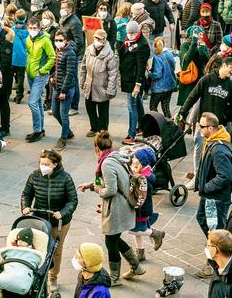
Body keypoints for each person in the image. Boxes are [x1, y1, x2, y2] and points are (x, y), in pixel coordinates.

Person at [77, 131, 144, 286]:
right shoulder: (115, 156)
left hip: (116, 208)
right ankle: (136, 266)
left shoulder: (106, 163)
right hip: (124, 205)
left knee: (110, 242)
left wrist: (95, 189)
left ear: (96, 147)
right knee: (115, 239)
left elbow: (110, 190)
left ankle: (114, 277)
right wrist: (90, 184)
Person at [21, 149, 78, 293]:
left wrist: (63, 213)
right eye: (41, 163)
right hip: (39, 219)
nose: (43, 166)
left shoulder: (65, 178)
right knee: (38, 248)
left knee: (56, 250)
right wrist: (25, 207)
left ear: (55, 165)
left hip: (58, 222)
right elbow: (26, 194)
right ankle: (38, 273)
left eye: (46, 164)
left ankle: (53, 276)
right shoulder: (34, 176)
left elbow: (72, 200)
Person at [194, 112, 232, 278]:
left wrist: (206, 187)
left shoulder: (218, 148)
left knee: (215, 229)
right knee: (202, 219)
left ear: (211, 128)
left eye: (202, 126)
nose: (199, 129)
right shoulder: (210, 141)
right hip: (210, 195)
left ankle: (215, 260)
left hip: (216, 197)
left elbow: (225, 176)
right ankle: (218, 247)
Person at [127, 148, 165, 262]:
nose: (133, 158)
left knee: (133, 230)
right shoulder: (140, 172)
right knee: (136, 231)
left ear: (142, 162)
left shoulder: (144, 178)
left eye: (136, 158)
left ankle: (155, 233)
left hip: (141, 209)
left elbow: (141, 197)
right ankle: (140, 252)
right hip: (139, 209)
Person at [80, 29, 117, 136]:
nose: (96, 40)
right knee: (89, 108)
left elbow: (113, 73)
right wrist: (82, 81)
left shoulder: (109, 54)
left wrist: (110, 89)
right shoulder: (89, 50)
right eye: (95, 38)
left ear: (104, 40)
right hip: (89, 85)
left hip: (102, 87)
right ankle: (94, 127)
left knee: (103, 111)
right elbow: (83, 67)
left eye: (99, 39)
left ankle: (103, 129)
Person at [119, 20, 150, 144]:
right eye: (129, 33)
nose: (131, 35)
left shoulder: (142, 45)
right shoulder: (127, 42)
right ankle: (141, 126)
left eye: (133, 33)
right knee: (138, 103)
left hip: (134, 81)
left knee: (132, 107)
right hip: (127, 78)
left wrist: (137, 85)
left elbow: (141, 68)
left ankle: (131, 134)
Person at [25, 18, 56, 143]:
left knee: (32, 102)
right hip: (30, 73)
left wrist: (43, 70)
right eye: (30, 28)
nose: (32, 30)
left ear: (39, 28)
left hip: (40, 75)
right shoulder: (28, 39)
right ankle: (41, 129)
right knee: (37, 102)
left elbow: (52, 57)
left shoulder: (45, 40)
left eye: (35, 28)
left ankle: (37, 130)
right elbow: (29, 55)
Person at [51, 30, 77, 150]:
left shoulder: (70, 53)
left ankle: (63, 138)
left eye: (60, 40)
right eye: (56, 40)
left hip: (65, 88)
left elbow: (70, 73)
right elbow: (58, 69)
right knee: (55, 112)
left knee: (63, 114)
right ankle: (68, 132)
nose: (58, 42)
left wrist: (64, 91)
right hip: (57, 86)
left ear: (66, 41)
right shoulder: (58, 51)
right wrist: (53, 77)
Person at [148, 37, 177, 119]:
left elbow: (157, 75)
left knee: (153, 108)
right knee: (166, 108)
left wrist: (149, 74)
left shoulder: (157, 58)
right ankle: (169, 126)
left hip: (159, 88)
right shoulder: (169, 54)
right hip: (170, 86)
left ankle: (158, 124)